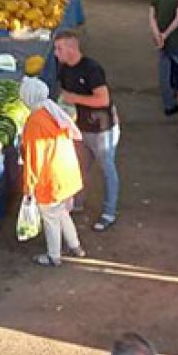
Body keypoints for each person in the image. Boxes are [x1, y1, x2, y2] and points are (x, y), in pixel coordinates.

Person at [53, 30, 120, 231]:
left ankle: (109, 212)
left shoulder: (92, 69)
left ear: (72, 49)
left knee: (107, 169)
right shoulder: (64, 69)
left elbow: (103, 99)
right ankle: (77, 202)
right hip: (80, 129)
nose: (56, 53)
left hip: (101, 130)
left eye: (59, 49)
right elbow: (65, 96)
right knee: (79, 167)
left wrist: (75, 98)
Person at [18, 77, 85, 267]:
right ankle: (75, 246)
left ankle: (54, 256)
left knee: (50, 219)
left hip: (52, 179)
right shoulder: (52, 110)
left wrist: (29, 188)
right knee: (62, 213)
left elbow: (33, 158)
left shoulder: (34, 122)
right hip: (68, 174)